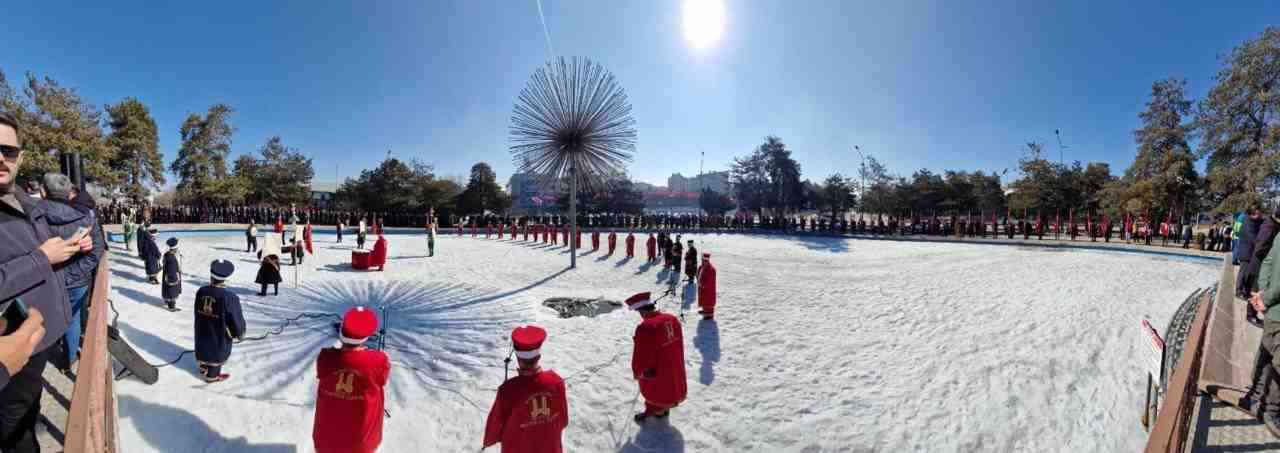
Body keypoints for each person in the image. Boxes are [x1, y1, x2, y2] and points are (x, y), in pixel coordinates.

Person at [39, 173, 104, 370]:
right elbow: (97, 251)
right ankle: (68, 361)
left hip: (45, 281)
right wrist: (75, 274)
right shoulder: (86, 217)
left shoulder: (32, 216)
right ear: (69, 194)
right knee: (72, 319)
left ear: (43, 191)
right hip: (77, 282)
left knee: (41, 320)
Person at [313, 306, 390, 453]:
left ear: (341, 331)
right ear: (367, 336)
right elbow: (382, 379)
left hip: (325, 441)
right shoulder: (379, 361)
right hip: (362, 443)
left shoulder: (325, 357)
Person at [482, 325, 568, 453]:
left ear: (518, 359)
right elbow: (563, 420)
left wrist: (488, 441)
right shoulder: (556, 381)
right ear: (538, 356)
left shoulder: (507, 390)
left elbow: (494, 428)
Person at [626, 292, 687, 423]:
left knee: (656, 391)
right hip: (673, 363)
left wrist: (638, 371)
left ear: (641, 311)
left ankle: (656, 412)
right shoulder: (672, 318)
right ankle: (665, 408)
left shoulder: (646, 327)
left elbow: (641, 355)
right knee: (670, 387)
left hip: (657, 369)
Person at [194, 260, 245, 383]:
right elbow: (235, 318)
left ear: (211, 276)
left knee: (203, 346)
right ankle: (212, 375)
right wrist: (239, 332)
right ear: (226, 278)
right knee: (216, 351)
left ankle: (203, 366)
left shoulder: (202, 290)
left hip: (202, 328)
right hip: (219, 332)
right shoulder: (230, 297)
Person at [162, 238, 182, 312]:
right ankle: (171, 306)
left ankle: (167, 300)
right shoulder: (172, 259)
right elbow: (172, 271)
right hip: (172, 277)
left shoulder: (167, 254)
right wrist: (175, 279)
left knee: (168, 289)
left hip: (167, 276)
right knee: (172, 290)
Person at [697, 253, 717, 319]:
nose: (704, 262)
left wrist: (703, 284)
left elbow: (709, 281)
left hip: (708, 289)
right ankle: (705, 311)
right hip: (703, 288)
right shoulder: (702, 267)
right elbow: (699, 274)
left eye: (706, 260)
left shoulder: (711, 269)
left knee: (708, 301)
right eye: (703, 260)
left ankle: (709, 315)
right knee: (704, 300)